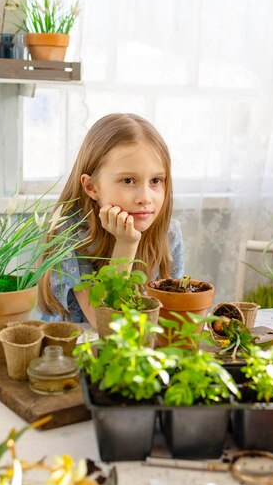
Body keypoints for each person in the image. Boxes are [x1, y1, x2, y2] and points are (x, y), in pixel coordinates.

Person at [39, 112, 183, 326]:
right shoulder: (71, 232)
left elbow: (173, 315)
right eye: (128, 180)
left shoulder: (169, 232)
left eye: (156, 180)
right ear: (92, 187)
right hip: (76, 349)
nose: (145, 198)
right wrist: (126, 244)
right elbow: (105, 323)